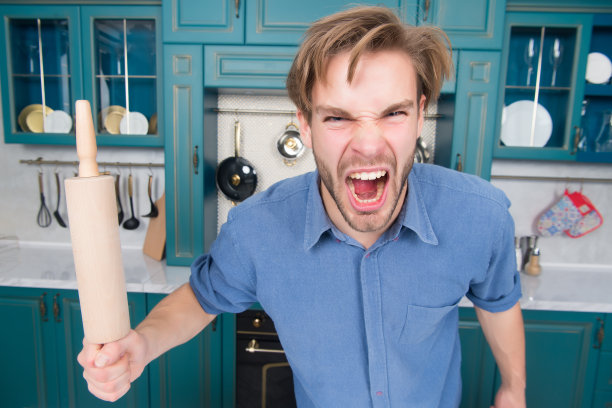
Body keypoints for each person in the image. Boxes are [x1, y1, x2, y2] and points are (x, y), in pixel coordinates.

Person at [78, 6, 526, 407]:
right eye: (337, 117)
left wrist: (513, 388)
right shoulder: (256, 230)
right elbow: (199, 298)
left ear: (420, 115)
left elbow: (499, 302)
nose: (369, 144)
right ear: (306, 126)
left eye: (393, 113)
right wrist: (142, 344)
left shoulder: (479, 217)